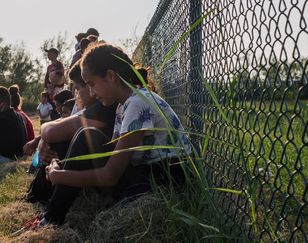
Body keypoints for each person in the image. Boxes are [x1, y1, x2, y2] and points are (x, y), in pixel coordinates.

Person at [27, 43, 191, 228]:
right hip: (149, 173)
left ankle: (50, 220)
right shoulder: (124, 104)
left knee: (87, 136)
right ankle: (50, 215)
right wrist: (60, 166)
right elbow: (110, 155)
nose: (90, 93)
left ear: (111, 76)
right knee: (87, 137)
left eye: (91, 84)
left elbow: (110, 176)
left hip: (165, 178)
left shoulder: (137, 103)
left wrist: (60, 176)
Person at [24, 60, 117, 203]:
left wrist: (45, 137)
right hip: (96, 169)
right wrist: (42, 140)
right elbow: (55, 126)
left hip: (106, 175)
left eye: (78, 88)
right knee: (55, 140)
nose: (76, 94)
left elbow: (52, 131)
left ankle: (40, 196)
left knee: (60, 142)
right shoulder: (95, 106)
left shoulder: (103, 107)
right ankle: (39, 194)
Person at [0, 86, 27, 162]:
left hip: (7, 158)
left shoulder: (3, 118)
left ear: (2, 104)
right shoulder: (18, 115)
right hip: (18, 156)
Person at [44, 48, 64, 120]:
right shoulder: (49, 67)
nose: (48, 55)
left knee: (56, 107)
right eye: (48, 53)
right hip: (50, 90)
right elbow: (47, 79)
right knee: (51, 108)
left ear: (55, 54)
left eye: (50, 53)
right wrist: (46, 88)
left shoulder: (59, 64)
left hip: (57, 90)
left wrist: (52, 86)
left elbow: (59, 74)